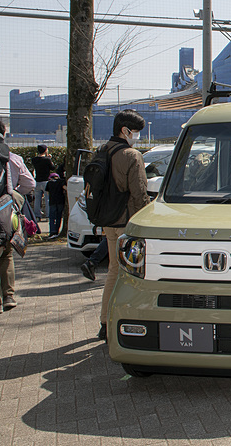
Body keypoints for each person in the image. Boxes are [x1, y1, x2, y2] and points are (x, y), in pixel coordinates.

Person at [96, 109, 149, 342]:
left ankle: (104, 322)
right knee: (133, 275)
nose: (137, 136)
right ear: (125, 130)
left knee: (113, 272)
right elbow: (139, 193)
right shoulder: (131, 155)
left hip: (107, 220)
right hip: (128, 223)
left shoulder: (102, 150)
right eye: (136, 131)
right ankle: (120, 323)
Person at [0, 119, 34, 316]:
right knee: (6, 254)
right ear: (3, 134)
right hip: (8, 213)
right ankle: (9, 296)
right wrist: (15, 195)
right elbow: (29, 184)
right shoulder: (13, 158)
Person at [31, 144, 54, 222]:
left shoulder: (34, 159)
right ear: (45, 150)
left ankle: (37, 215)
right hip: (46, 181)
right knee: (47, 199)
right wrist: (49, 158)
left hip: (37, 181)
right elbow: (52, 168)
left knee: (37, 199)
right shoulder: (47, 160)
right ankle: (47, 216)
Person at [45, 172, 66, 239]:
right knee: (59, 217)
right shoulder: (61, 181)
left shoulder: (49, 183)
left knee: (52, 217)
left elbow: (47, 192)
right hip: (60, 201)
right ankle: (57, 231)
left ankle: (52, 231)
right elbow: (65, 188)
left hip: (52, 202)